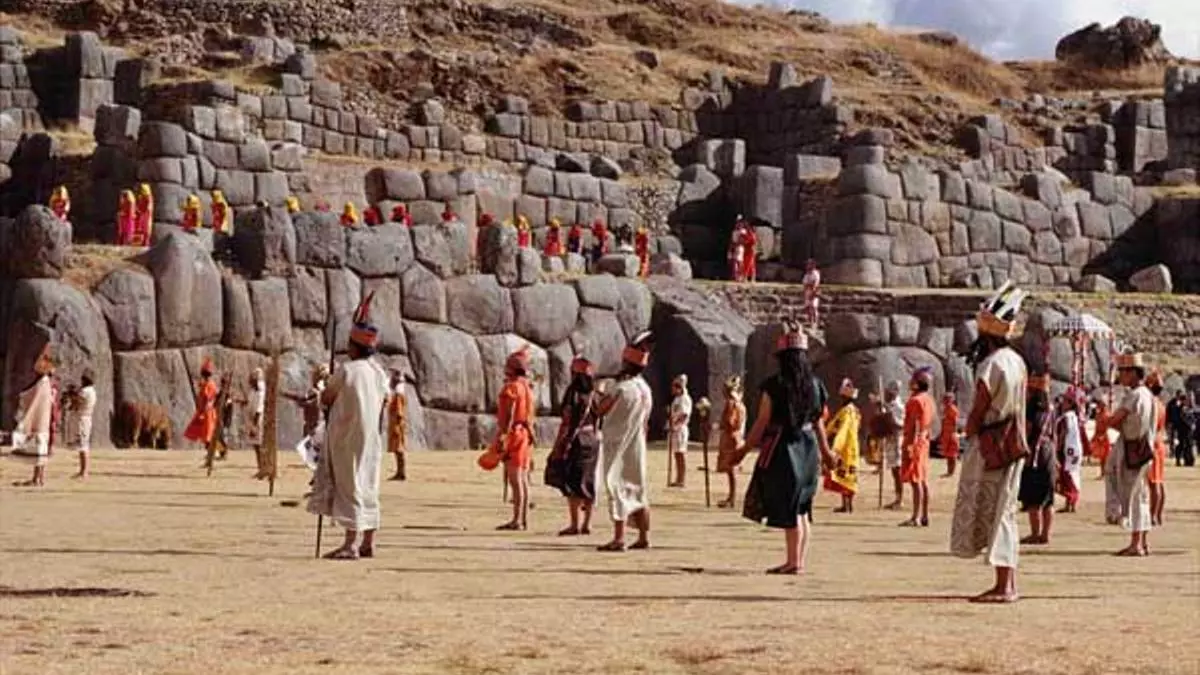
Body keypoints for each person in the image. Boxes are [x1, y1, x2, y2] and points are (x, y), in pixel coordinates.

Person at [950, 280, 1029, 603]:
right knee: (1005, 508)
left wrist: (968, 434)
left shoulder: (992, 364)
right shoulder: (1016, 361)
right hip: (1012, 441)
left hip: (993, 443)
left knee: (1000, 511)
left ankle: (1004, 585)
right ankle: (1007, 581)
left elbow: (979, 408)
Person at [740, 322, 835, 575]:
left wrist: (743, 450)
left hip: (785, 449)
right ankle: (797, 560)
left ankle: (794, 562)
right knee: (802, 507)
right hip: (809, 449)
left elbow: (762, 422)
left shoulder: (775, 385)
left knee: (792, 507)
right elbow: (818, 422)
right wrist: (826, 453)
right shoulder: (815, 386)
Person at [308, 291, 390, 560]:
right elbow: (385, 400)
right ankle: (369, 541)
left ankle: (351, 543)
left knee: (350, 484)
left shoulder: (347, 370)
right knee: (368, 483)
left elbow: (327, 398)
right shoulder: (379, 372)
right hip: (371, 437)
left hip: (347, 436)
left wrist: (322, 388)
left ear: (355, 348)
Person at [595, 331, 655, 552]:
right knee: (639, 489)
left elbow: (601, 409)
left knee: (617, 486)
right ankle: (643, 536)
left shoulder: (621, 388)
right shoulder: (645, 389)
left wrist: (598, 394)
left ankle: (619, 538)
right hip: (638, 444)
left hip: (618, 443)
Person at [1105, 352, 1155, 556]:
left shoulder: (1134, 396)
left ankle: (1136, 543)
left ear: (1133, 372)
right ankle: (1142, 541)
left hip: (1132, 448)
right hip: (1143, 448)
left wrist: (1104, 415)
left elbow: (1115, 421)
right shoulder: (1147, 395)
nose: (1121, 376)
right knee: (1140, 495)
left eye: (1124, 371)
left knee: (1133, 495)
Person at [545, 356, 601, 535]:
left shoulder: (573, 393)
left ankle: (575, 524)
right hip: (593, 439)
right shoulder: (595, 394)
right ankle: (587, 524)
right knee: (589, 480)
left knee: (573, 481)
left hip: (576, 440)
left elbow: (567, 420)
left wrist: (559, 444)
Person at [495, 346, 535, 531]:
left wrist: (504, 434)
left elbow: (510, 412)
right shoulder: (527, 387)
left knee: (515, 477)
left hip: (515, 434)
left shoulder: (512, 387)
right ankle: (523, 518)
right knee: (523, 477)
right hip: (525, 434)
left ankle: (517, 520)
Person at [11, 345, 61, 487]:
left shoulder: (43, 383)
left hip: (41, 421)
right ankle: (38, 477)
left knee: (40, 448)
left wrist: (22, 397)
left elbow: (31, 397)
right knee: (42, 449)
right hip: (46, 421)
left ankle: (37, 478)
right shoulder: (49, 383)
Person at [1019, 374, 1057, 545]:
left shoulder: (1032, 407)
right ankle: (1045, 533)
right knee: (1048, 497)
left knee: (1033, 496)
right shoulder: (1051, 408)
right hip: (1049, 451)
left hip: (1036, 452)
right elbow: (1054, 433)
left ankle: (1036, 533)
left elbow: (1028, 429)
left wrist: (1023, 448)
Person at [900, 368, 936, 527]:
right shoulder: (929, 400)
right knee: (923, 479)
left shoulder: (915, 401)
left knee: (915, 480)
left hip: (915, 441)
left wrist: (911, 445)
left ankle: (915, 517)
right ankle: (925, 515)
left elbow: (915, 423)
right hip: (924, 441)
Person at [823, 378, 860, 514]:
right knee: (847, 475)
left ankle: (847, 504)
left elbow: (843, 429)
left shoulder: (847, 412)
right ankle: (846, 504)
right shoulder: (855, 411)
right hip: (852, 445)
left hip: (845, 446)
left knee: (846, 475)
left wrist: (835, 447)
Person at [716, 375, 748, 509]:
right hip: (736, 436)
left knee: (731, 468)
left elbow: (731, 422)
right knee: (730, 469)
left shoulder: (732, 404)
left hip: (731, 437)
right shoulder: (739, 403)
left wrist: (721, 425)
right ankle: (731, 496)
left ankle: (732, 497)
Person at [875, 381, 905, 510]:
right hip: (890, 440)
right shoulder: (890, 405)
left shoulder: (898, 406)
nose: (886, 394)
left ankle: (899, 499)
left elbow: (899, 424)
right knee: (894, 469)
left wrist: (887, 416)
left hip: (897, 440)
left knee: (897, 470)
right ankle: (897, 498)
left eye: (888, 392)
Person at [1056, 391, 1085, 513]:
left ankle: (1070, 500)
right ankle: (1071, 502)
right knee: (1073, 474)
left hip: (1068, 449)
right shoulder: (1076, 417)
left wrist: (1058, 445)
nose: (1062, 403)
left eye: (1065, 401)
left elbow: (1064, 432)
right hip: (1075, 449)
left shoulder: (1066, 417)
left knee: (1067, 475)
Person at [1146, 371, 1167, 527]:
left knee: (1154, 482)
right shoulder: (1160, 404)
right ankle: (1158, 514)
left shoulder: (1152, 404)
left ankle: (1153, 514)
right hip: (1159, 443)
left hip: (1153, 444)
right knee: (1158, 481)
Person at [185, 358, 219, 452]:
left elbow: (208, 399)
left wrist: (203, 410)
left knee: (208, 434)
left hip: (207, 412)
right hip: (205, 411)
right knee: (205, 434)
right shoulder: (207, 384)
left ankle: (215, 451)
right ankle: (212, 451)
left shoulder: (209, 385)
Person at [68, 371, 97, 480]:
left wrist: (72, 395)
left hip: (82, 418)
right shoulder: (92, 390)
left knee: (83, 446)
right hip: (86, 418)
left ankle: (84, 472)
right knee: (82, 445)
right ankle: (82, 471)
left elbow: (77, 403)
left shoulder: (85, 391)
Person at [667, 374, 693, 488]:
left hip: (680, 429)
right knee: (676, 454)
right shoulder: (676, 399)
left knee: (680, 454)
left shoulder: (685, 399)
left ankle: (682, 479)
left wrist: (676, 425)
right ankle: (678, 478)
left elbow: (684, 414)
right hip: (675, 428)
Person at [386, 369, 409, 482]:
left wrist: (397, 424)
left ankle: (401, 472)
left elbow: (399, 411)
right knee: (397, 448)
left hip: (397, 423)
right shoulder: (398, 393)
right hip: (396, 422)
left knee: (398, 448)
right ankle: (400, 471)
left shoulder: (398, 395)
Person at [249, 368, 269, 481]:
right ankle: (260, 467)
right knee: (256, 445)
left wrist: (254, 425)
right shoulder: (253, 391)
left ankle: (263, 468)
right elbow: (250, 402)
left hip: (258, 420)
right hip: (253, 418)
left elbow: (259, 409)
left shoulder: (261, 392)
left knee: (259, 445)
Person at [941, 392, 961, 477]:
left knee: (952, 454)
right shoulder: (945, 409)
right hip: (946, 433)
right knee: (948, 454)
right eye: (945, 399)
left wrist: (955, 433)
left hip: (951, 434)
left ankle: (952, 472)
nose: (945, 401)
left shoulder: (953, 409)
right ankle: (949, 471)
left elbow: (955, 422)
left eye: (948, 399)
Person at [802, 260, 821, 327]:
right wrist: (805, 293)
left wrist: (813, 291)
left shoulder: (816, 273)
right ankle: (810, 321)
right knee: (807, 307)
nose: (808, 266)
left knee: (814, 307)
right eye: (807, 264)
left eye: (809, 264)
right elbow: (805, 284)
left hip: (814, 292)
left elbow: (815, 284)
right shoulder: (806, 275)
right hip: (807, 292)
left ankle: (815, 322)